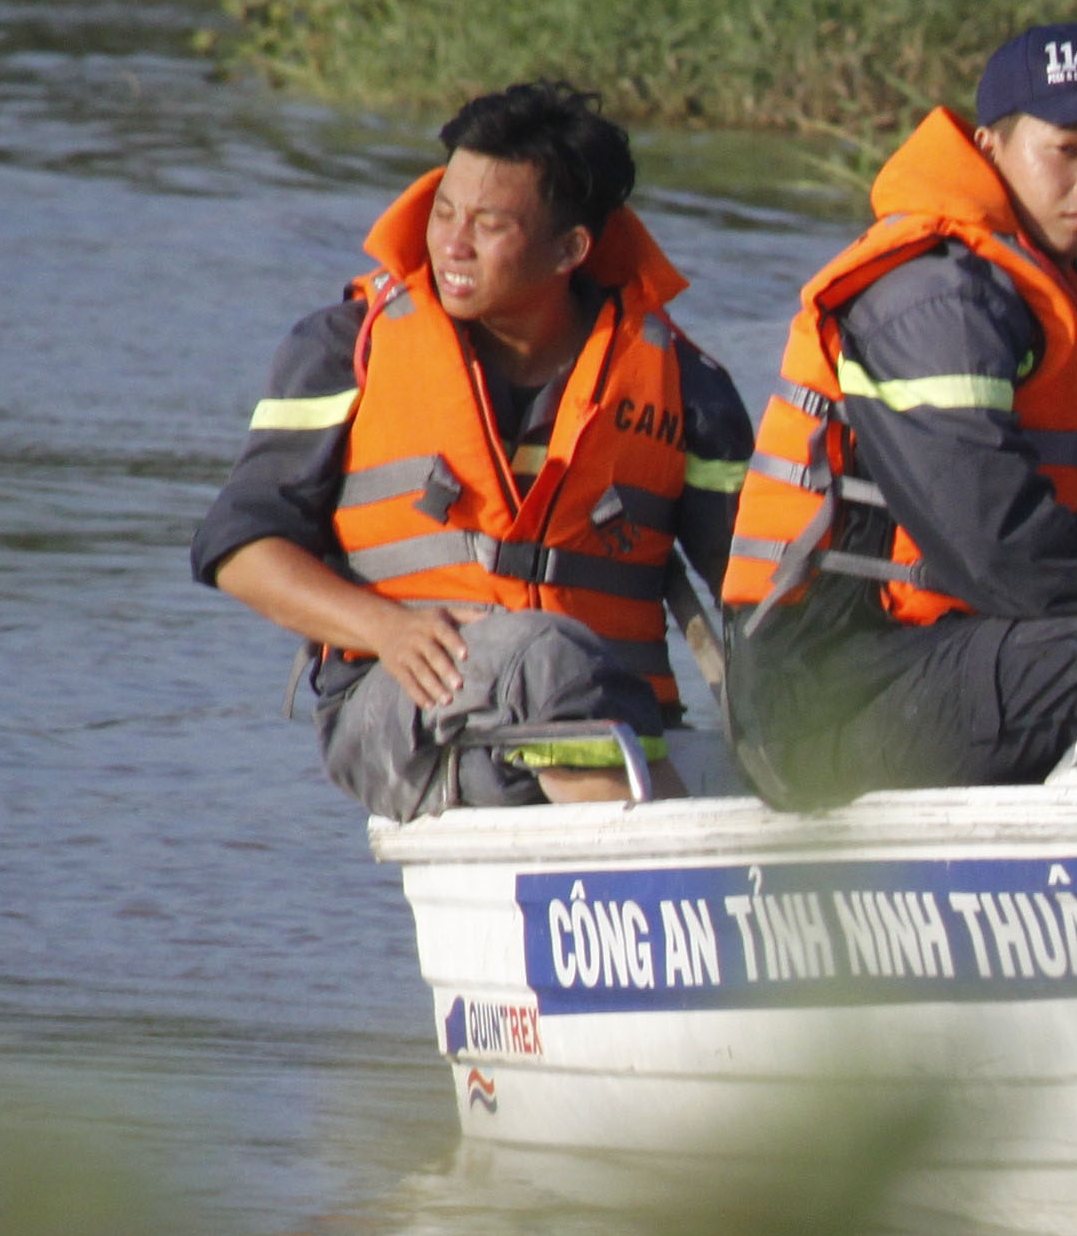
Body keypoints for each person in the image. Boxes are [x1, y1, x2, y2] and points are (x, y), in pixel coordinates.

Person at [195, 81, 752, 818]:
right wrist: (384, 629)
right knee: (545, 657)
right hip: (404, 720)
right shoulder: (343, 351)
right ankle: (681, 878)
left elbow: (758, 588)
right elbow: (237, 550)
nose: (452, 244)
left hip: (611, 736)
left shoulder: (685, 388)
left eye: (488, 225)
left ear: (570, 249)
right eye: (445, 212)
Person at [720, 22, 1077, 808]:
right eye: (1067, 150)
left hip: (939, 660)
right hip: (828, 696)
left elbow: (1071, 540)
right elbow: (992, 543)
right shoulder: (929, 294)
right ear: (990, 146)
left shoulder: (1050, 297)